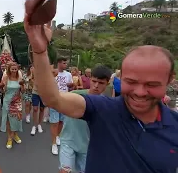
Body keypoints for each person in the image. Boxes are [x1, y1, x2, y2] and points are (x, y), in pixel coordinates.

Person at [24, 13, 178, 172]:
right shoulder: (103, 108)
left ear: (170, 79)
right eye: (131, 82)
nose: (139, 92)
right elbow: (52, 98)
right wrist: (40, 51)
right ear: (121, 76)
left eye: (151, 84)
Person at [59, 65, 112, 173]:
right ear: (90, 79)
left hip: (87, 147)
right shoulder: (75, 95)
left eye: (101, 83)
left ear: (107, 83)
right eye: (94, 81)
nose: (96, 86)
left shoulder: (106, 104)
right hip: (68, 142)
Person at [49, 57, 72, 155]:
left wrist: (71, 85)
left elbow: (71, 86)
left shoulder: (68, 74)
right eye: (64, 63)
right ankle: (53, 143)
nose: (65, 65)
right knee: (54, 122)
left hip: (64, 99)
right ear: (59, 63)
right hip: (54, 99)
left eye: (66, 63)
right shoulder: (53, 72)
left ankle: (58, 136)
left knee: (61, 121)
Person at [0, 62, 24, 149]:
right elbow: (3, 91)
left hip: (17, 102)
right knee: (8, 121)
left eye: (15, 69)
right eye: (12, 69)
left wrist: (22, 86)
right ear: (9, 69)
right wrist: (1, 87)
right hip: (8, 101)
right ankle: (9, 138)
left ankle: (15, 135)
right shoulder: (6, 78)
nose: (14, 70)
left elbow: (23, 91)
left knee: (16, 119)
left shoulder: (19, 78)